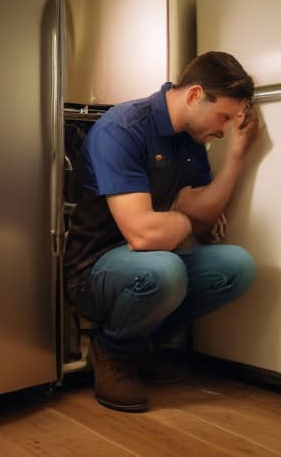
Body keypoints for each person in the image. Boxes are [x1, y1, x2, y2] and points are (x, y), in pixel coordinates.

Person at [64, 51, 259, 412]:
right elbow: (144, 235)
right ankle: (111, 353)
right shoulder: (124, 128)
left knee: (237, 266)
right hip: (93, 269)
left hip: (147, 261)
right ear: (195, 95)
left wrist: (236, 156)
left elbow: (206, 215)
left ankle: (138, 345)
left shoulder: (191, 140)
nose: (223, 129)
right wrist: (184, 218)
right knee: (166, 270)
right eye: (224, 118)